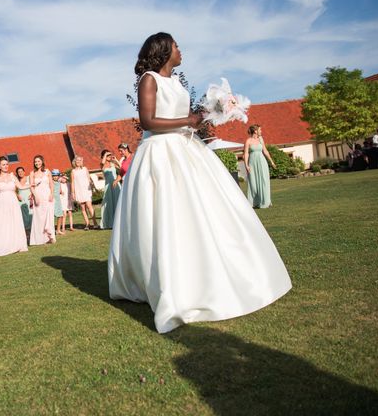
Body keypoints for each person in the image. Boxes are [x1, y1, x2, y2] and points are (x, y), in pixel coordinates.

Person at [108, 32, 291, 334]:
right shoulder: (149, 80)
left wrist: (210, 113)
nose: (181, 50)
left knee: (207, 209)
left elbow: (184, 117)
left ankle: (211, 271)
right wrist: (187, 121)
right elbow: (148, 121)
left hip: (187, 149)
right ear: (164, 50)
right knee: (166, 214)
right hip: (160, 154)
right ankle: (168, 280)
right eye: (177, 46)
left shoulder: (176, 81)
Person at [243, 125, 277, 209]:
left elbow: (265, 151)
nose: (261, 131)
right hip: (252, 163)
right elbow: (246, 154)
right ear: (255, 131)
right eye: (260, 130)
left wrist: (271, 162)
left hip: (262, 162)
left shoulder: (261, 139)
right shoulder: (248, 141)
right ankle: (255, 202)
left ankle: (266, 202)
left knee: (264, 181)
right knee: (253, 183)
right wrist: (246, 165)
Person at [29, 155, 56, 245]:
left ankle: (50, 236)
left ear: (42, 162)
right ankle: (40, 238)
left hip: (47, 195)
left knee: (49, 215)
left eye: (39, 161)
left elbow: (51, 184)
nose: (37, 163)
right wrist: (35, 196)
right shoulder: (32, 173)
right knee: (39, 217)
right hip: (38, 196)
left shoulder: (48, 171)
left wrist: (52, 194)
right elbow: (31, 187)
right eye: (35, 161)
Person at [71, 156, 98, 230]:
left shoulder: (85, 169)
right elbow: (73, 183)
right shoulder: (73, 171)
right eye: (77, 160)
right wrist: (73, 193)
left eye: (80, 160)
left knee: (89, 206)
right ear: (75, 162)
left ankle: (95, 223)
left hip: (86, 190)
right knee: (83, 208)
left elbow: (89, 178)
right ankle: (87, 224)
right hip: (79, 191)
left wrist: (92, 185)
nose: (78, 161)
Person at [99, 149, 122, 229]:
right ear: (103, 156)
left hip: (116, 185)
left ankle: (119, 221)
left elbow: (121, 167)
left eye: (109, 155)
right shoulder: (102, 165)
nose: (109, 157)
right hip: (108, 187)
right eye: (107, 155)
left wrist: (116, 160)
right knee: (109, 203)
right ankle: (110, 222)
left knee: (118, 201)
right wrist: (106, 154)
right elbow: (102, 163)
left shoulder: (112, 164)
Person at [15, 166, 33, 231]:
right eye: (19, 172)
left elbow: (33, 187)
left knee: (31, 214)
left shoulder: (28, 178)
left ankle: (32, 229)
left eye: (21, 171)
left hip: (29, 198)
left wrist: (32, 194)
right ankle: (26, 230)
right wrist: (17, 195)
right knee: (24, 216)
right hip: (21, 200)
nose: (20, 173)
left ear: (24, 172)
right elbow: (14, 190)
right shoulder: (16, 181)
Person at [51, 169, 65, 235]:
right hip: (52, 201)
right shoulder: (51, 182)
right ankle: (51, 230)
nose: (55, 177)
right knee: (52, 216)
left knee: (60, 215)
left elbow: (59, 190)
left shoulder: (59, 182)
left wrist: (61, 192)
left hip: (58, 200)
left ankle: (58, 230)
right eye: (54, 176)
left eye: (56, 176)